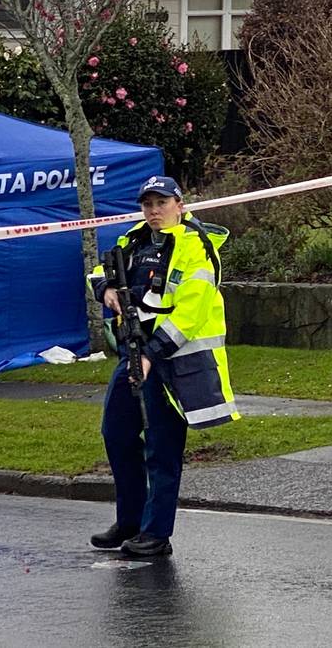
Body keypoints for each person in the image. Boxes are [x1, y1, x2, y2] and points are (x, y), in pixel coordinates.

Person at [86, 175, 237, 557]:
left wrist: (152, 353)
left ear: (179, 205)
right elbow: (102, 271)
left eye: (162, 203)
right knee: (116, 433)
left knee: (162, 446)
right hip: (134, 352)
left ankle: (156, 532)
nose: (154, 211)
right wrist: (104, 290)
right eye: (148, 204)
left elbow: (191, 312)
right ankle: (130, 521)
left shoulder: (195, 247)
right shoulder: (134, 238)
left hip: (175, 360)